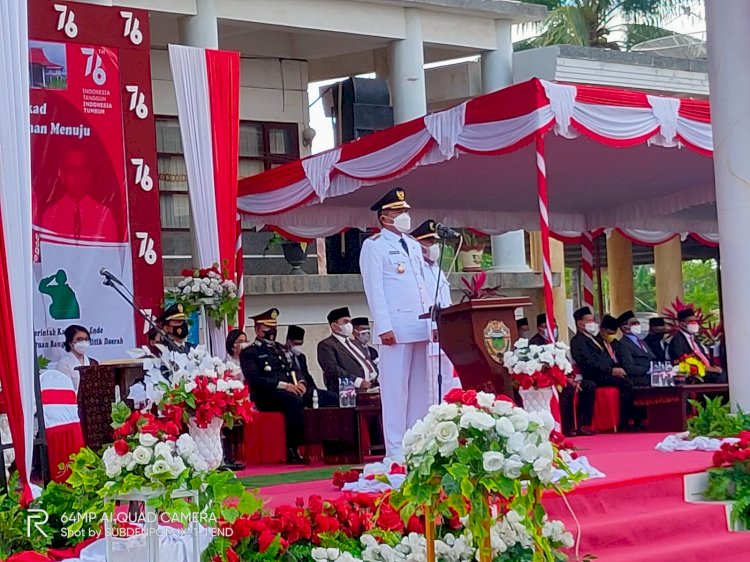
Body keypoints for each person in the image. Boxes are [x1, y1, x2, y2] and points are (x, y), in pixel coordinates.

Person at [359, 187, 433, 459]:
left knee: (418, 389)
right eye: (399, 212)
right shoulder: (374, 246)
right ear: (384, 217)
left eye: (406, 211)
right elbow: (374, 288)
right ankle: (395, 450)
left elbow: (422, 286)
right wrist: (383, 325)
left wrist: (432, 322)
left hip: (419, 324)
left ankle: (416, 445)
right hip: (395, 327)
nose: (405, 216)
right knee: (394, 389)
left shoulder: (414, 245)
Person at [240, 308, 306, 464]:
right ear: (258, 329)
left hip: (291, 389)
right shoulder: (250, 352)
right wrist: (285, 386)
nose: (272, 331)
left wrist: (301, 383)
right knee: (293, 402)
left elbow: (294, 369)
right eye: (268, 327)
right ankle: (293, 448)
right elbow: (255, 379)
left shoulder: (281, 349)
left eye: (274, 327)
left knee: (322, 397)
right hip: (266, 395)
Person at [411, 219, 460, 403]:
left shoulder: (436, 269)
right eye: (429, 242)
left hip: (446, 338)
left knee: (449, 387)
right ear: (418, 245)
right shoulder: (416, 270)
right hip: (428, 336)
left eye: (435, 242)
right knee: (432, 392)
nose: (434, 246)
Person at [570, 306, 638, 431]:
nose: (593, 323)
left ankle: (633, 420)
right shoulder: (578, 341)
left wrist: (616, 368)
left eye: (593, 320)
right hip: (594, 375)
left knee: (629, 379)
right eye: (589, 321)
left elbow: (606, 358)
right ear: (580, 323)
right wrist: (610, 371)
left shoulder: (593, 339)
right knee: (626, 384)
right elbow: (588, 363)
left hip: (604, 372)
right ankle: (624, 422)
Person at [529, 313, 595, 436]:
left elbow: (566, 364)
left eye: (554, 327)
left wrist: (572, 378)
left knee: (588, 386)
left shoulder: (555, 342)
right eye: (549, 327)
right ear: (540, 328)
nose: (553, 330)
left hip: (564, 378)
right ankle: (567, 427)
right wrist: (565, 380)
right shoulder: (535, 345)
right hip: (547, 381)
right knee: (567, 389)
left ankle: (583, 425)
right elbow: (543, 368)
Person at [40, 147, 121, 242]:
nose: (78, 176)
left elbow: (111, 254)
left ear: (89, 174)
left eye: (82, 169)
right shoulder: (50, 215)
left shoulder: (104, 216)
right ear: (62, 175)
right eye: (72, 170)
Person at [318, 307, 379, 394]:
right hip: (348, 392)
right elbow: (332, 369)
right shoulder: (327, 345)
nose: (349, 325)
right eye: (345, 322)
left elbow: (366, 361)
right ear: (334, 326)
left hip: (371, 387)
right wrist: (357, 381)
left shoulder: (355, 343)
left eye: (350, 322)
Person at [668, 308, 727, 383]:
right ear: (681, 323)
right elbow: (682, 362)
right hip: (694, 374)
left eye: (695, 321)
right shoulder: (677, 341)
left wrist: (713, 367)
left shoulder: (694, 338)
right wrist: (707, 368)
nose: (694, 324)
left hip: (707, 371)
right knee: (722, 377)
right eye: (690, 321)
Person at [284, 325, 337, 407]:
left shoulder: (301, 357)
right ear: (288, 342)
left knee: (332, 397)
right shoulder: (283, 355)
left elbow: (306, 375)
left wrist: (314, 389)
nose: (298, 347)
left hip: (307, 389)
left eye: (300, 344)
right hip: (294, 389)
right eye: (296, 344)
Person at [616, 311, 654, 386]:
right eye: (634, 323)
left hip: (651, 374)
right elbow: (629, 368)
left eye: (638, 322)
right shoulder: (622, 344)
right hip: (638, 378)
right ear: (625, 327)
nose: (637, 325)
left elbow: (651, 356)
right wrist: (648, 370)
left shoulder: (641, 341)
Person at [56, 325, 98, 393]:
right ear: (70, 343)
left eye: (86, 339)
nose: (83, 342)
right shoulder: (63, 364)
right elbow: (65, 389)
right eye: (79, 339)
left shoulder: (93, 363)